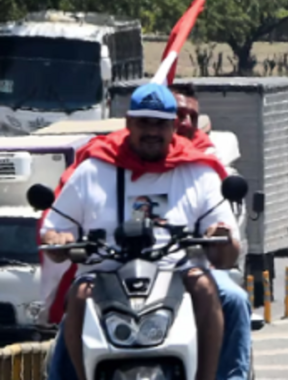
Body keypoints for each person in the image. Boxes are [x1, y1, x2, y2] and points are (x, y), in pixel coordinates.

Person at [41, 83, 240, 380]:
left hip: (177, 276)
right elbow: (55, 229)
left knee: (211, 288)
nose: (151, 131)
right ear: (128, 123)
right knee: (79, 294)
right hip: (105, 277)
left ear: (173, 126)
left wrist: (219, 234)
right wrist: (59, 239)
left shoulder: (197, 171)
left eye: (160, 124)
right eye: (143, 122)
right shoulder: (93, 170)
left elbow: (227, 248)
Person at [169, 85, 253, 380]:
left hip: (190, 269)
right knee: (77, 302)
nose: (185, 123)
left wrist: (219, 234)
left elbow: (229, 247)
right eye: (179, 115)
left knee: (234, 298)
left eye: (192, 116)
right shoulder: (115, 168)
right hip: (128, 272)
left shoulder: (205, 170)